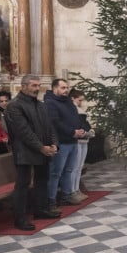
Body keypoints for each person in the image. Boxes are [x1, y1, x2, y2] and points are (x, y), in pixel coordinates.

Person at [5, 75, 60, 230]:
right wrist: (41, 147)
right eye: (34, 85)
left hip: (43, 150)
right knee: (22, 185)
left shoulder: (40, 105)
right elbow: (24, 131)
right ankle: (20, 218)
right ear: (23, 86)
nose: (37, 89)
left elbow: (50, 127)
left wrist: (54, 144)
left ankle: (40, 209)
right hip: (25, 151)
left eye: (38, 85)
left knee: (42, 180)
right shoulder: (14, 105)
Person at [44, 79, 87, 209]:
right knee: (56, 172)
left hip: (73, 141)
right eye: (63, 88)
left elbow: (76, 117)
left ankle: (66, 195)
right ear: (54, 88)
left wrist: (79, 130)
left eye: (67, 88)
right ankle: (51, 200)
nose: (66, 90)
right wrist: (72, 132)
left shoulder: (68, 101)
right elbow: (55, 122)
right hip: (61, 142)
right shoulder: (50, 102)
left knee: (68, 170)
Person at [69, 88, 94, 201]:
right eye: (79, 100)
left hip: (84, 140)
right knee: (74, 167)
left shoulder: (80, 110)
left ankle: (77, 189)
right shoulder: (71, 110)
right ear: (72, 98)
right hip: (77, 141)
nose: (81, 102)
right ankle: (72, 191)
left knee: (79, 167)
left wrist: (90, 131)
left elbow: (86, 124)